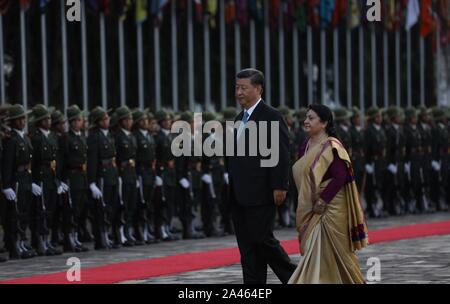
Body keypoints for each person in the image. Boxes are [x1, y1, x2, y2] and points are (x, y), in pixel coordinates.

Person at [227, 68, 296, 284]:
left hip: (262, 192)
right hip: (239, 194)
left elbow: (281, 154)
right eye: (237, 88)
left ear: (258, 89)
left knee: (262, 240)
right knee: (248, 247)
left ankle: (296, 278)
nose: (238, 92)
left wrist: (280, 185)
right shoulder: (239, 118)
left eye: (243, 88)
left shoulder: (271, 116)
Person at [289, 104, 368, 284]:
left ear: (324, 123)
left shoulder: (332, 145)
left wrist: (323, 200)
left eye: (311, 118)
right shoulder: (305, 146)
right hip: (311, 205)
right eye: (306, 117)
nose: (306, 121)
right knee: (313, 250)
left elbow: (340, 176)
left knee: (339, 254)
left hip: (331, 207)